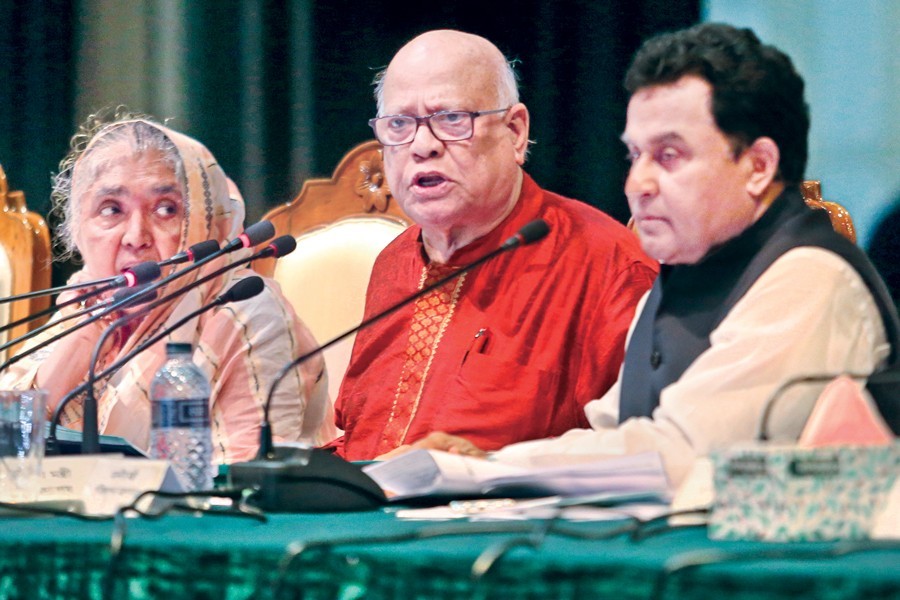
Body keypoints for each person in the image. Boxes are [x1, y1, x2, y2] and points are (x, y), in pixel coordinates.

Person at [406, 23, 900, 486]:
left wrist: (487, 469)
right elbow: (614, 434)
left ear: (757, 165)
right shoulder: (683, 273)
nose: (637, 185)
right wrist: (477, 461)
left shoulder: (809, 279)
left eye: (668, 156)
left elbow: (681, 455)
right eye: (633, 155)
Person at [330, 30, 658, 461]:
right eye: (399, 124)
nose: (423, 146)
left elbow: (638, 452)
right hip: (358, 518)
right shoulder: (394, 262)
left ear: (516, 131)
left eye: (450, 119)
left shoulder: (606, 265)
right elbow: (361, 440)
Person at [0, 113, 334, 462]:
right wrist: (71, 357)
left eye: (165, 209)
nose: (135, 238)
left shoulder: (244, 311)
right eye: (111, 209)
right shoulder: (80, 303)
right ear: (79, 230)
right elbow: (9, 455)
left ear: (205, 225)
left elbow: (246, 480)